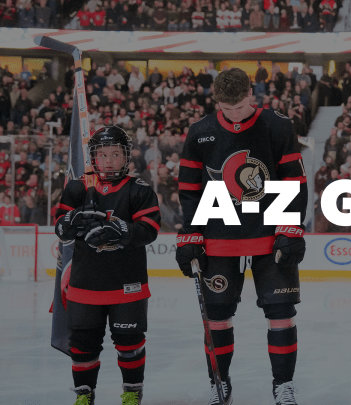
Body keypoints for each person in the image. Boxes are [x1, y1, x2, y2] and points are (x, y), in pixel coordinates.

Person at [176, 68, 308, 405]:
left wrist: (290, 228)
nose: (233, 115)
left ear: (253, 94)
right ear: (216, 100)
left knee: (281, 310)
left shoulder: (278, 125)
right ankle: (219, 383)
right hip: (219, 235)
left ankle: (283, 385)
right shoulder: (200, 131)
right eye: (226, 108)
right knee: (217, 313)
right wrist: (190, 233)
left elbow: (293, 180)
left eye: (239, 106)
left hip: (269, 234)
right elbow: (190, 189)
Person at [55, 126, 160, 405]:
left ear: (126, 157)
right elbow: (61, 230)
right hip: (85, 284)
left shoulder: (138, 190)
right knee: (83, 346)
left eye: (115, 154)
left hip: (127, 284)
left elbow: (150, 229)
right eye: (102, 155)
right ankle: (84, 395)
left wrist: (123, 231)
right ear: (93, 158)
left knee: (130, 342)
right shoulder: (77, 188)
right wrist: (74, 218)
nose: (109, 160)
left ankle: (131, 393)